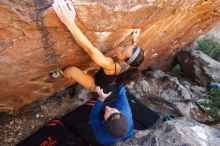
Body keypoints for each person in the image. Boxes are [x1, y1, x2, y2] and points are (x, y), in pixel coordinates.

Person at [51, 0, 145, 97]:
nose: (120, 47)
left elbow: (90, 49)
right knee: (88, 71)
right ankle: (87, 73)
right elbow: (132, 56)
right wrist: (134, 40)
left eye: (122, 51)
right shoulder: (130, 63)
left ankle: (60, 73)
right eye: (125, 46)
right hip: (99, 75)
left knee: (71, 70)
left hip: (94, 84)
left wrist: (70, 24)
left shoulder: (111, 65)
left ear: (125, 61)